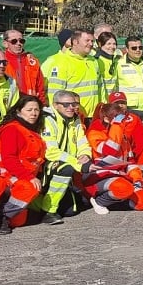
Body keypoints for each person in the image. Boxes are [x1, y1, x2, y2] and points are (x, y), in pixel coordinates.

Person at [0, 95, 47, 235]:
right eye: (29, 110)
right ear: (19, 111)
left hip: (20, 175)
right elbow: (9, 159)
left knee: (19, 222)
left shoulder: (29, 129)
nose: (33, 113)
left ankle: (4, 214)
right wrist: (29, 177)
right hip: (9, 177)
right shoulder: (12, 129)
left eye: (36, 110)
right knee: (30, 187)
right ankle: (1, 215)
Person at [82, 102, 143, 214]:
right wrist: (117, 126)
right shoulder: (95, 133)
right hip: (99, 177)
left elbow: (130, 162)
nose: (122, 121)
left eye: (123, 118)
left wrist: (137, 179)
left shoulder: (122, 136)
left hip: (121, 176)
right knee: (123, 187)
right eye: (119, 118)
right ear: (106, 119)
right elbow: (109, 150)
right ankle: (99, 201)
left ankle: (118, 200)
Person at [38, 90, 92, 225]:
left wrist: (85, 155)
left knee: (72, 211)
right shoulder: (48, 119)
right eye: (66, 105)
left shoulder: (75, 118)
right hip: (46, 164)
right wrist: (77, 163)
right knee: (65, 169)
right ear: (55, 105)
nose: (71, 108)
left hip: (69, 162)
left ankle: (44, 203)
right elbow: (51, 152)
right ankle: (48, 211)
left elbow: (82, 141)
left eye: (74, 104)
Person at [42, 29, 104, 119]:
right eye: (87, 41)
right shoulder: (62, 62)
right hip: (73, 116)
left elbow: (100, 87)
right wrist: (59, 116)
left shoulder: (93, 61)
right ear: (75, 42)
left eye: (92, 41)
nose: (91, 44)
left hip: (93, 116)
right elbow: (55, 93)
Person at [113, 35, 143, 118]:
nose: (138, 50)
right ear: (127, 49)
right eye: (134, 48)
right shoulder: (119, 63)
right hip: (130, 109)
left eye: (140, 47)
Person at [3, 29, 46, 104]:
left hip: (29, 105)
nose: (18, 43)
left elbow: (40, 87)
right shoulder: (0, 61)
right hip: (9, 104)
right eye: (14, 41)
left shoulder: (32, 61)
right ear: (5, 43)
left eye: (21, 41)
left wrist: (42, 105)